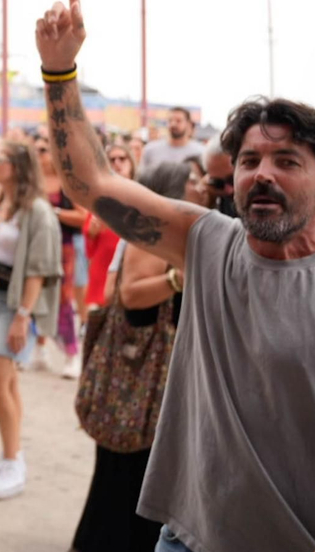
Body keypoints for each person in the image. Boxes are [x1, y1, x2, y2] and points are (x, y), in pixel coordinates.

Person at [36, 0, 315, 552]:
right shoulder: (207, 242)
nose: (262, 173)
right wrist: (60, 71)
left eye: (287, 160)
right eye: (250, 160)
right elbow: (91, 183)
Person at [65, 160, 192, 552]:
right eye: (194, 181)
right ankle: (85, 551)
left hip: (160, 372)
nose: (203, 189)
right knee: (120, 463)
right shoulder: (149, 233)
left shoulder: (180, 233)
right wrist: (176, 278)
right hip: (135, 371)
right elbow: (128, 294)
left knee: (148, 469)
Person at [0, 139, 60, 500]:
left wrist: (23, 316)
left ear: (18, 167)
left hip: (15, 305)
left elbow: (38, 268)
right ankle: (12, 455)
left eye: (0, 159)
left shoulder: (37, 210)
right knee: (7, 384)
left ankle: (13, 463)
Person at [35, 135, 87, 378]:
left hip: (64, 248)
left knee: (64, 300)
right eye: (36, 150)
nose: (39, 155)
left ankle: (71, 353)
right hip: (37, 247)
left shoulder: (68, 183)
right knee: (35, 297)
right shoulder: (33, 181)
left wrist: (52, 212)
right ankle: (39, 349)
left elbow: (82, 217)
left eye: (44, 149)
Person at [84, 141, 134, 307]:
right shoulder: (98, 197)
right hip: (103, 270)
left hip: (130, 268)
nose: (117, 163)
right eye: (112, 160)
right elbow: (89, 249)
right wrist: (92, 232)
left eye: (122, 158)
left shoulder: (142, 193)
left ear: (131, 162)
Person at [139, 106, 206, 178]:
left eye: (178, 121)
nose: (173, 124)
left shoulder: (200, 152)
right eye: (170, 120)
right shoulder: (150, 150)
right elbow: (142, 177)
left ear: (188, 124)